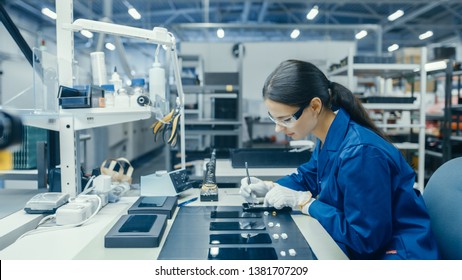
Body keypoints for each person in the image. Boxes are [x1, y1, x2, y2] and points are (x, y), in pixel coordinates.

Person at [239, 59, 439, 260]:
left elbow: (366, 239)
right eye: (274, 119)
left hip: (399, 256)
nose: (278, 129)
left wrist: (306, 203)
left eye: (286, 119)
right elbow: (308, 177)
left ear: (315, 106)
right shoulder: (330, 136)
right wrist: (269, 187)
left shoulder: (360, 153)